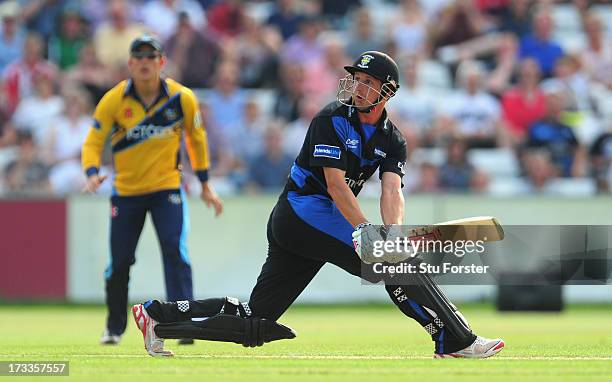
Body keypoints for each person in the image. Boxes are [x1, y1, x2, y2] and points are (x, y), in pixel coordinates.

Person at [130, 51, 504, 359]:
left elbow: (392, 192)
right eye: (356, 79)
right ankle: (456, 341)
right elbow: (335, 185)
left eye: (368, 82)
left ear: (387, 92)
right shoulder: (331, 119)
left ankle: (157, 317)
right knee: (395, 266)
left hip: (313, 222)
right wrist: (365, 231)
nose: (358, 88)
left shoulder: (394, 140)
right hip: (302, 213)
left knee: (256, 317)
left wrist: (392, 231)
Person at [81, 34, 223, 345]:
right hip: (126, 192)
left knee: (175, 253)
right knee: (119, 262)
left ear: (162, 62)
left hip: (166, 190)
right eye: (139, 57)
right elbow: (93, 141)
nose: (145, 63)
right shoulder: (114, 99)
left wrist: (205, 184)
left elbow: (196, 141)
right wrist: (92, 172)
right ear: (130, 63)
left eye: (151, 57)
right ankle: (114, 327)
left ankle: (184, 325)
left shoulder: (182, 98)